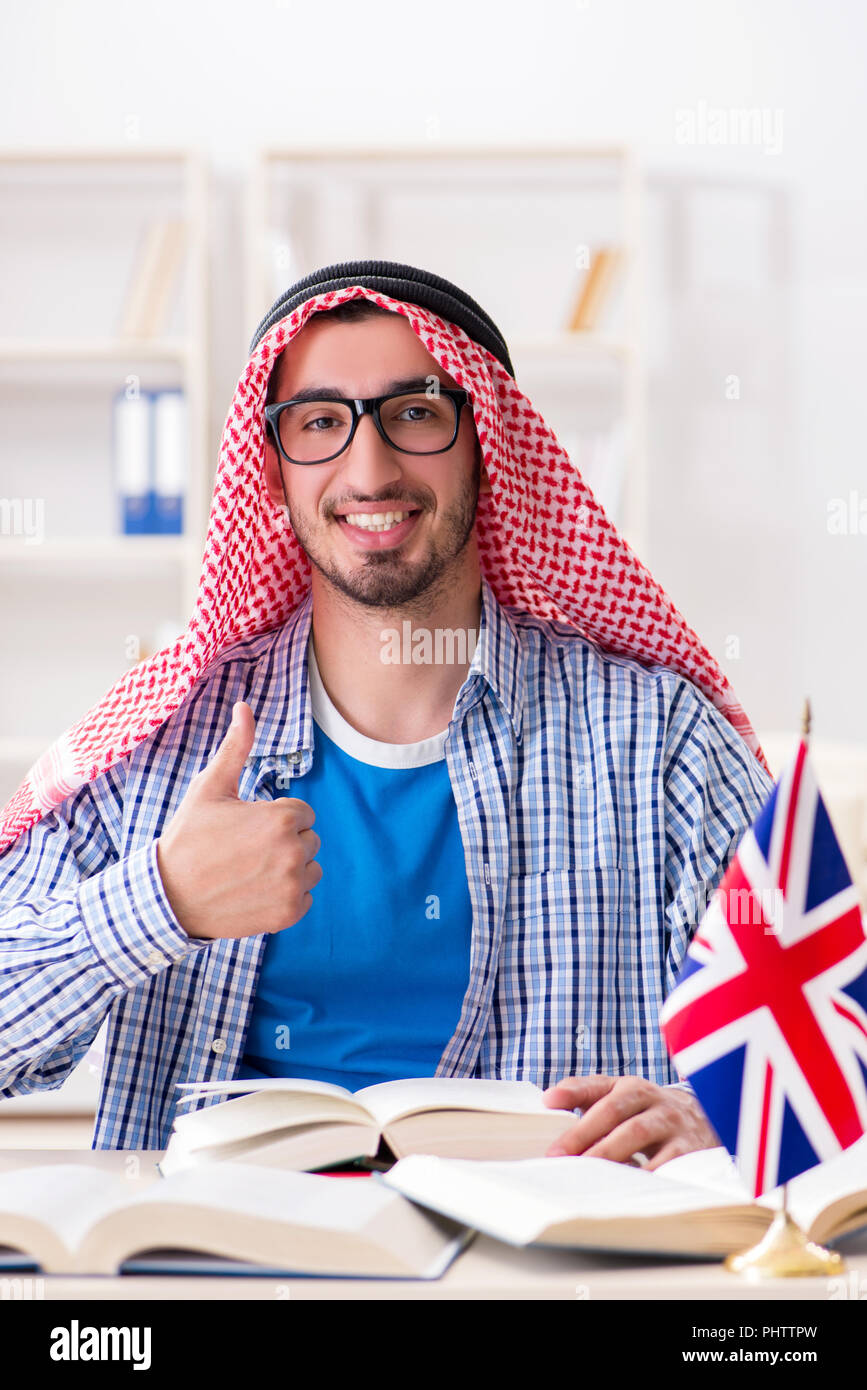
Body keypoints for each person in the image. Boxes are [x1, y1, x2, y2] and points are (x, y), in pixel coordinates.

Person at [0, 261, 774, 1166]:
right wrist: (158, 900)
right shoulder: (163, 745)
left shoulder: (659, 742)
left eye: (413, 413)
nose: (368, 472)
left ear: (488, 443)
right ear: (273, 466)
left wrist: (711, 1115)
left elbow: (831, 1041)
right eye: (321, 423)